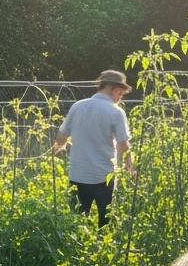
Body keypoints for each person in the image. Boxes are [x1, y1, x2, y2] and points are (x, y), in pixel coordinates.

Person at [52, 70, 136, 227]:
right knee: (105, 222)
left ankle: (75, 248)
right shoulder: (115, 112)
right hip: (104, 177)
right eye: (120, 92)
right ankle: (101, 249)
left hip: (78, 175)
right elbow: (123, 145)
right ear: (111, 87)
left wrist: (51, 156)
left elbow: (61, 138)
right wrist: (130, 169)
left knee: (76, 221)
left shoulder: (77, 106)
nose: (121, 96)